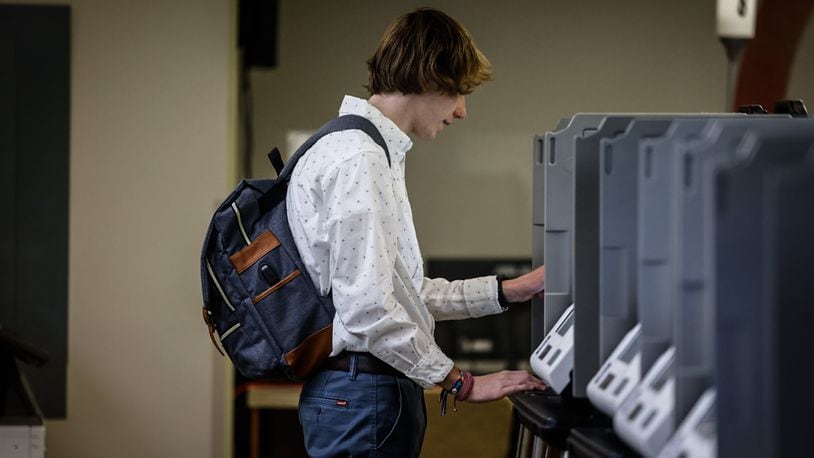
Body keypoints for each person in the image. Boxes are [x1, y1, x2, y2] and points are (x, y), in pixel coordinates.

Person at [286, 7, 547, 457]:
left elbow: (399, 293)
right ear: (429, 76)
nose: (462, 111)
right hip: (363, 394)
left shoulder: (362, 150)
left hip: (363, 393)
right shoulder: (359, 159)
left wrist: (510, 291)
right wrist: (459, 382)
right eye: (460, 92)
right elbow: (370, 311)